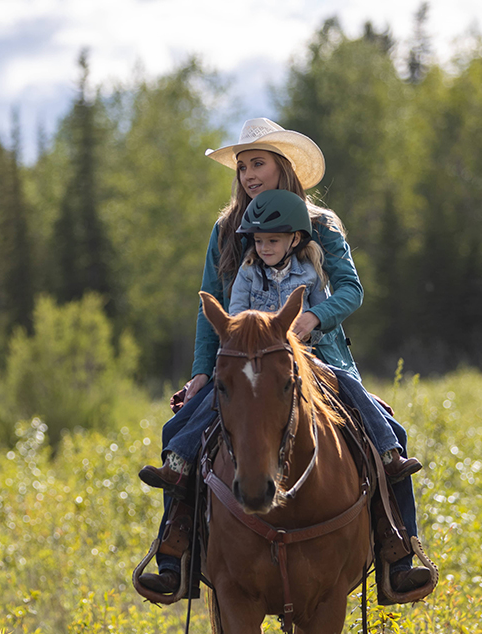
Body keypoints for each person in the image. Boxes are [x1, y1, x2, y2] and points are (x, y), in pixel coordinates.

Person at [135, 118, 431, 599]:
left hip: (319, 357)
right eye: (243, 166)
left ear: (283, 168)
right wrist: (199, 375)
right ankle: (175, 556)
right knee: (181, 431)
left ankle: (397, 550)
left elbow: (351, 289)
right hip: (243, 361)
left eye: (259, 164)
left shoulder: (321, 224)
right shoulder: (226, 229)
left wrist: (314, 317)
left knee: (385, 430)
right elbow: (209, 303)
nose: (249, 174)